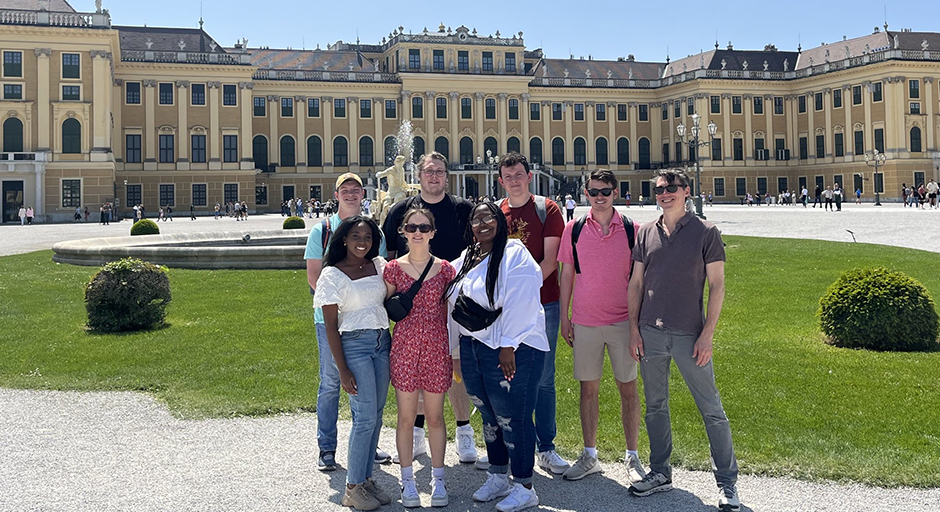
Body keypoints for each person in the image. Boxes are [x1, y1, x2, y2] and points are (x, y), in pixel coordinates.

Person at [627, 169, 740, 512]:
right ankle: (660, 471)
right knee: (655, 407)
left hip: (690, 334)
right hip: (650, 332)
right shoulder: (646, 232)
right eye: (659, 189)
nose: (665, 193)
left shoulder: (706, 232)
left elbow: (717, 285)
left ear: (686, 191)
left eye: (671, 188)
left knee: (711, 409)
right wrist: (633, 328)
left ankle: (727, 483)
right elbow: (635, 284)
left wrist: (708, 334)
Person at [446, 202, 548, 512]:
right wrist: (455, 350)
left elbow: (523, 299)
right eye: (476, 219)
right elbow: (452, 302)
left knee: (513, 416)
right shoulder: (466, 258)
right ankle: (498, 474)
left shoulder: (515, 253)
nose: (482, 223)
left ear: (500, 221)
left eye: (488, 216)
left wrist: (507, 346)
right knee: (489, 414)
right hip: (475, 347)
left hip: (515, 348)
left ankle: (524, 485)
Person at [382, 152, 479, 466]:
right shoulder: (400, 211)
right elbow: (389, 257)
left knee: (457, 367)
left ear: (446, 176)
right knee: (419, 368)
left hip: (455, 298)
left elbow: (480, 250)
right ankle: (419, 435)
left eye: (439, 171)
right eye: (428, 171)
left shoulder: (463, 210)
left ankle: (464, 433)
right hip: (416, 307)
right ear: (419, 175)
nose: (434, 177)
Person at [557, 169, 646, 484]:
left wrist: (637, 325)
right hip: (585, 321)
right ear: (585, 193)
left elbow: (639, 280)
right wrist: (565, 318)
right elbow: (566, 275)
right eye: (593, 191)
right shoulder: (574, 229)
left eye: (605, 191)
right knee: (588, 390)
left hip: (624, 322)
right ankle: (590, 454)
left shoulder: (634, 230)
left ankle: (633, 456)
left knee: (629, 390)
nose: (598, 197)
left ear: (616, 192)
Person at [305, 172, 391, 472]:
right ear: (337, 194)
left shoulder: (371, 230)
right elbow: (314, 275)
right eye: (346, 190)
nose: (351, 194)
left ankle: (368, 442)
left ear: (362, 194)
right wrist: (343, 307)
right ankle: (327, 447)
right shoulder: (323, 230)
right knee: (331, 382)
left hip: (365, 324)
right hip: (330, 319)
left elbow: (377, 272)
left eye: (356, 190)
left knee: (368, 394)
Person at [497, 152, 569, 475]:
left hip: (543, 304)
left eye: (518, 174)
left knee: (543, 377)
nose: (514, 180)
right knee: (504, 377)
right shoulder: (496, 213)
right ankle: (509, 445)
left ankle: (547, 447)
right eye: (507, 176)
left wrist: (521, 294)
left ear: (529, 176)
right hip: (506, 309)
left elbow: (551, 261)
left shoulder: (547, 209)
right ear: (501, 180)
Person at [314, 215, 393, 511]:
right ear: (344, 239)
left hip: (382, 342)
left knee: (377, 412)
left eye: (368, 238)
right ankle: (352, 486)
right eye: (356, 237)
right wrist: (342, 368)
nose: (362, 242)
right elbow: (330, 327)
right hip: (354, 346)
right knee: (364, 418)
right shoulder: (332, 275)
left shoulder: (379, 266)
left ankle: (366, 479)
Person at [384, 208, 456, 508]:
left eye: (424, 227)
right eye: (412, 226)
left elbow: (449, 313)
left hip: (436, 347)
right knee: (406, 417)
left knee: (437, 417)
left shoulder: (446, 270)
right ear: (403, 230)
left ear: (432, 232)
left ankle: (438, 480)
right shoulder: (392, 270)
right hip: (404, 347)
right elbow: (385, 310)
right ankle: (408, 482)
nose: (417, 232)